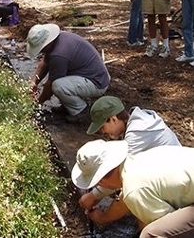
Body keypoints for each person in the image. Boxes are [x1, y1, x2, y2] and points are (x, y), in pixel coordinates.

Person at [78, 95, 181, 225]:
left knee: (139, 208)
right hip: (168, 172)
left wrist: (94, 197)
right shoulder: (136, 119)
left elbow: (121, 176)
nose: (103, 132)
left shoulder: (136, 134)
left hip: (172, 183)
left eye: (103, 127)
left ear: (113, 119)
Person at [72, 139, 194, 237]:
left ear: (101, 179)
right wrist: (102, 218)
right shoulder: (138, 161)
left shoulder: (133, 189)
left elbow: (163, 223)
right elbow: (127, 200)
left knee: (151, 233)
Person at [26, 24, 110, 123]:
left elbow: (49, 86)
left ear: (47, 43)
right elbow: (45, 62)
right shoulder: (59, 39)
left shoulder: (59, 54)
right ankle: (69, 105)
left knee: (58, 86)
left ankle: (81, 111)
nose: (41, 51)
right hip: (90, 76)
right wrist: (34, 82)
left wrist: (38, 103)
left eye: (42, 48)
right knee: (60, 83)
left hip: (97, 83)